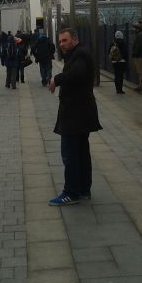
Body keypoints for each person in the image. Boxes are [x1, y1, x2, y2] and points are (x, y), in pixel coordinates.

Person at [48, 28, 102, 206]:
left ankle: (71, 192)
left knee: (70, 154)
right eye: (60, 41)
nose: (62, 44)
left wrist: (56, 79)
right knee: (81, 153)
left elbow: (76, 74)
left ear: (75, 40)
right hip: (81, 113)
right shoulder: (79, 53)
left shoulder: (80, 55)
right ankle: (83, 189)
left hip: (76, 114)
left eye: (65, 40)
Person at [108, 30, 128, 94]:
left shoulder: (112, 43)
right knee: (121, 75)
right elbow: (125, 53)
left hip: (114, 62)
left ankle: (117, 89)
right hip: (121, 61)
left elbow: (108, 52)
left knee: (116, 75)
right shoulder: (123, 43)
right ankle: (120, 90)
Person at [132, 23, 142, 92]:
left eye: (135, 28)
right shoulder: (140, 35)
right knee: (141, 72)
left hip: (139, 56)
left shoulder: (139, 36)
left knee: (141, 72)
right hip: (140, 56)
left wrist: (135, 54)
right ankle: (141, 85)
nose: (134, 30)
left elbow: (138, 46)